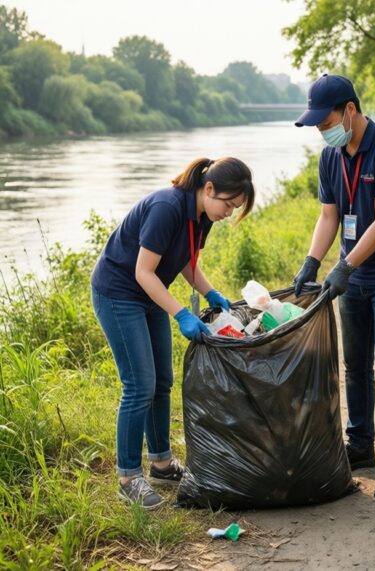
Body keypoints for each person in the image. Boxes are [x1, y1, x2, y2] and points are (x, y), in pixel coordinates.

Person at [91, 157, 255, 509]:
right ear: (208, 188)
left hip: (149, 294)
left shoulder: (203, 215)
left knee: (162, 381)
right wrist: (180, 313)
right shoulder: (166, 207)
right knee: (139, 385)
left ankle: (162, 465)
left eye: (235, 207)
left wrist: (210, 292)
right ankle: (128, 478)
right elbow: (143, 271)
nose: (229, 212)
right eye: (228, 204)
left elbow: (185, 260)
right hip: (119, 293)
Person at [291, 74, 375, 500]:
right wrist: (312, 261)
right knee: (354, 366)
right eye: (316, 126)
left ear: (349, 110)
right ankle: (360, 446)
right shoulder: (330, 158)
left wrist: (344, 266)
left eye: (326, 122)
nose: (322, 131)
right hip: (355, 277)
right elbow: (329, 217)